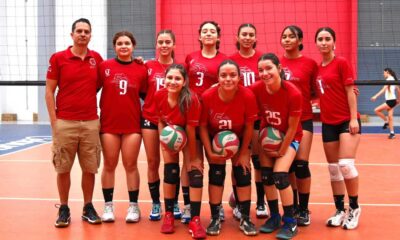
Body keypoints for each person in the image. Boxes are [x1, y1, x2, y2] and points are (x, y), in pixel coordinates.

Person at [45, 18, 103, 227]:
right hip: (65, 122)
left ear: (90, 35)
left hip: (90, 122)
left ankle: (88, 207)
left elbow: (99, 84)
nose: (82, 34)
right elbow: (49, 91)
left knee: (90, 168)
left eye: (86, 31)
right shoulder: (59, 58)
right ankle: (64, 207)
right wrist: (55, 122)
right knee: (63, 169)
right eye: (79, 31)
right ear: (72, 35)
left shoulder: (96, 58)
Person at [200, 60, 258, 236]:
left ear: (239, 77)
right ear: (217, 78)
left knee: (243, 172)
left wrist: (243, 153)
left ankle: (245, 218)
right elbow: (202, 126)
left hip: (239, 137)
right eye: (223, 75)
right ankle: (215, 217)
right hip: (215, 137)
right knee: (216, 173)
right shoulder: (208, 96)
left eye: (233, 75)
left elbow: (249, 126)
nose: (228, 79)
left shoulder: (247, 96)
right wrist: (209, 151)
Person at [250, 53, 302, 240]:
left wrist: (282, 149)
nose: (265, 73)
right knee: (266, 175)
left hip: (290, 138)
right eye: (261, 70)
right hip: (267, 136)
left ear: (279, 68)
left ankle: (290, 221)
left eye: (269, 68)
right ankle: (274, 217)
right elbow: (240, 92)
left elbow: (293, 127)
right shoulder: (257, 88)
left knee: (280, 175)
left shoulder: (293, 93)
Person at [315, 27, 361, 230]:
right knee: (334, 170)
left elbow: (350, 92)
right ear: (316, 43)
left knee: (345, 165)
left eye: (327, 39)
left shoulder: (341, 62)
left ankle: (354, 208)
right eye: (320, 39)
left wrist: (353, 119)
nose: (324, 42)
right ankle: (339, 210)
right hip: (328, 123)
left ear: (334, 42)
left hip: (345, 121)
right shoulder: (317, 69)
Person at [98, 31, 147, 223]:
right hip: (109, 124)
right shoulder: (105, 67)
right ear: (114, 47)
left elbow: (147, 96)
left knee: (130, 165)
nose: (123, 46)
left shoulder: (141, 68)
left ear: (133, 46)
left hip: (132, 124)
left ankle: (133, 207)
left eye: (127, 43)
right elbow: (90, 88)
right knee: (109, 165)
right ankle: (108, 206)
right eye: (119, 43)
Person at [156, 64, 206, 239]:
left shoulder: (190, 99)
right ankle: (168, 215)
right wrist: (164, 139)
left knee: (194, 172)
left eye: (177, 78)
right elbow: (161, 120)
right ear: (164, 79)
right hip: (171, 134)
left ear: (184, 82)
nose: (173, 81)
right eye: (169, 78)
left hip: (189, 136)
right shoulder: (159, 95)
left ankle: (195, 218)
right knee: (170, 171)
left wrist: (193, 158)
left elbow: (191, 131)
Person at [185, 20, 229, 221]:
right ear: (199, 36)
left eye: (212, 31)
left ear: (218, 37)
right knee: (194, 164)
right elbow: (182, 83)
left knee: (216, 164)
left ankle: (217, 207)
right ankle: (190, 209)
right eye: (205, 31)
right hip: (193, 116)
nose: (208, 34)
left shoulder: (224, 60)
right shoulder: (191, 58)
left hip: (214, 118)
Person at [142, 30, 187, 222]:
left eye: (168, 42)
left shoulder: (181, 67)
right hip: (151, 119)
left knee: (172, 164)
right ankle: (155, 203)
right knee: (153, 162)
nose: (164, 45)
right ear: (156, 45)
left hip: (175, 122)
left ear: (174, 45)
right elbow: (143, 91)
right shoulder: (147, 66)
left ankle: (174, 202)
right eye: (160, 42)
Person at [279, 25, 318, 226]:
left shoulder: (310, 64)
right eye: (284, 37)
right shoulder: (277, 63)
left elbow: (317, 90)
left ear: (300, 40)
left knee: (302, 164)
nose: (287, 40)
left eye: (291, 37)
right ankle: (292, 206)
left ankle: (304, 209)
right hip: (283, 122)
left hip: (304, 118)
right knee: (289, 167)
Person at [230, 23, 268, 220]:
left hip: (259, 118)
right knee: (237, 161)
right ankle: (238, 200)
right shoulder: (230, 61)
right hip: (236, 118)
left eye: (250, 34)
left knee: (258, 161)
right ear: (237, 37)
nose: (247, 37)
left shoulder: (262, 59)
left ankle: (261, 202)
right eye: (243, 34)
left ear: (255, 37)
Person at [370, 68, 400, 139]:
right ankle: (392, 133)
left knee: (376, 110)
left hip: (391, 101)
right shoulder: (394, 79)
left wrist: (375, 96)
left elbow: (383, 90)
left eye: (384, 73)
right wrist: (398, 99)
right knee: (390, 117)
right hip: (393, 100)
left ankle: (386, 122)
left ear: (387, 72)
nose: (383, 74)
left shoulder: (389, 79)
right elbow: (398, 90)